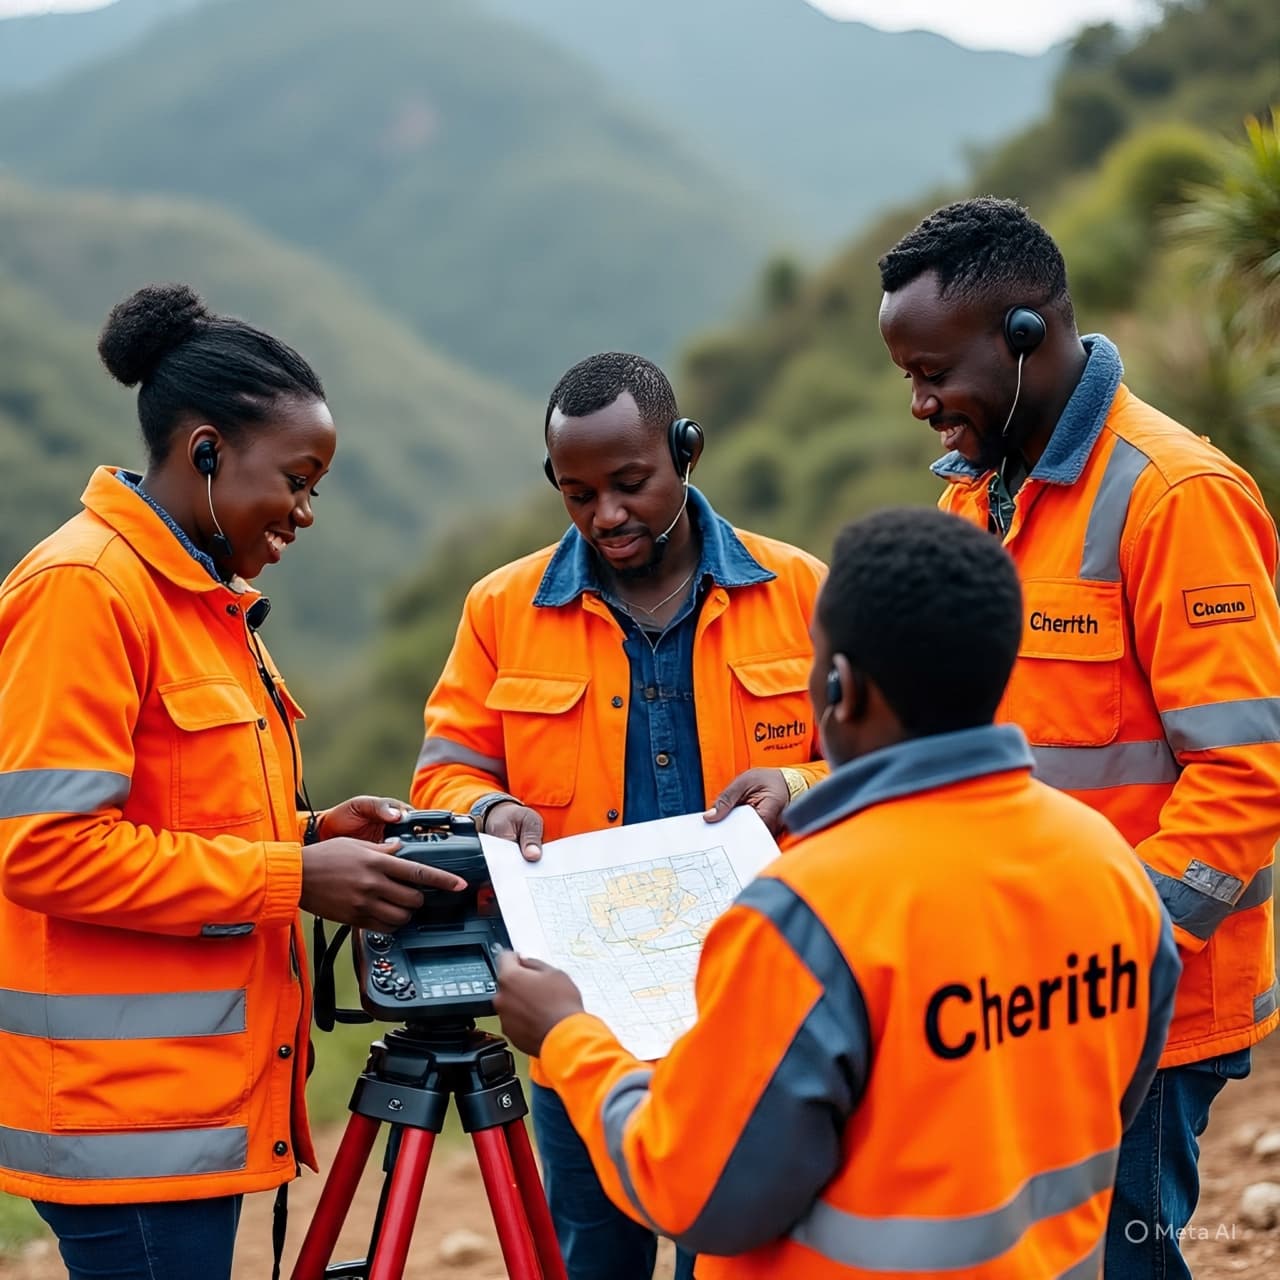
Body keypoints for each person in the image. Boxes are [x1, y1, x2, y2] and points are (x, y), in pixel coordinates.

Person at [493, 505, 1180, 1279]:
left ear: (842, 688)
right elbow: (1098, 1098)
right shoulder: (1112, 869)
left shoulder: (805, 917)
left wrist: (566, 1034)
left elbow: (692, 1191)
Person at [0, 284, 465, 1280]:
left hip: (179, 1109)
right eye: (295, 479)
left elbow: (174, 816)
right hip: (121, 1120)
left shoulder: (201, 605)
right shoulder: (85, 591)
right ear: (205, 449)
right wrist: (294, 879)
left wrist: (308, 833)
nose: (302, 512)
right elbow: (43, 847)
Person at [877, 196, 1280, 1279]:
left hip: (1136, 1011)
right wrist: (802, 784)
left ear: (1023, 334)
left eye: (930, 372)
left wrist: (1108, 962)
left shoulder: (1173, 497)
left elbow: (1243, 777)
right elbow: (953, 738)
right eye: (904, 376)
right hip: (1016, 999)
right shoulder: (978, 500)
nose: (917, 403)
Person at [410, 351, 827, 1280]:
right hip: (582, 1017)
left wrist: (794, 784)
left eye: (632, 484)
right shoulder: (500, 611)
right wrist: (489, 804)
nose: (607, 515)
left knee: (737, 1254)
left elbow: (873, 759)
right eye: (578, 493)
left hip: (758, 1014)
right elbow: (443, 770)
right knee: (591, 1255)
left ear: (686, 451)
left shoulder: (802, 594)